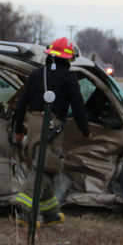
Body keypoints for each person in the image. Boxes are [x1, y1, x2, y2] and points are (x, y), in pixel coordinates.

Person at [11, 36, 90, 227]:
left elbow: (22, 103)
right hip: (52, 126)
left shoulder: (37, 75)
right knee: (45, 167)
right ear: (68, 59)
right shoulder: (69, 78)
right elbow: (78, 108)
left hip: (33, 123)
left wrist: (19, 129)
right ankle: (23, 210)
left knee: (41, 166)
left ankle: (50, 213)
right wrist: (85, 130)